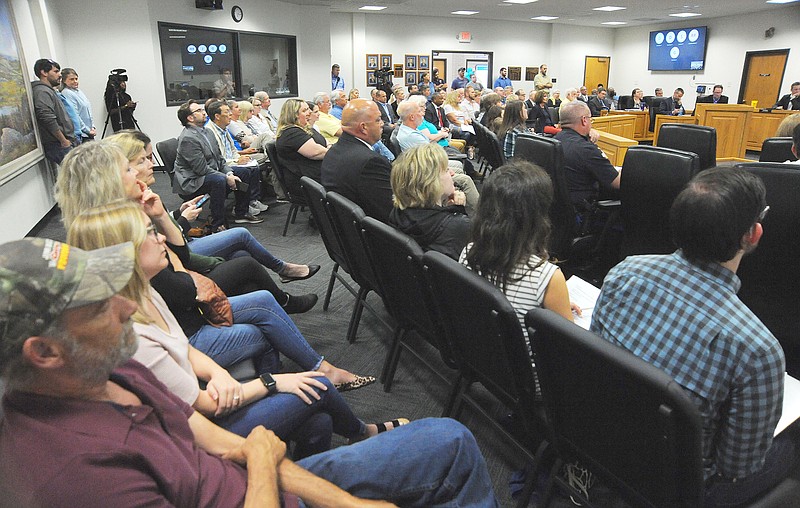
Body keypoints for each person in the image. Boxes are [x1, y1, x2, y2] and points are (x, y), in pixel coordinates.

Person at [0, 236, 501, 507]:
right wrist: (262, 462)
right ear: (44, 352)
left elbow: (231, 448)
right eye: (97, 308)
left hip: (265, 485)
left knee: (450, 440)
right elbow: (253, 455)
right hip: (258, 489)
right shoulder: (71, 477)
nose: (128, 309)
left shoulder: (110, 370)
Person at [68, 199, 394, 458]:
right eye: (150, 234)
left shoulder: (145, 290)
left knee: (318, 421)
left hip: (208, 398)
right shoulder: (132, 333)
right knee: (317, 385)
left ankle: (298, 477)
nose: (161, 238)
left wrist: (219, 373)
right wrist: (273, 382)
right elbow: (203, 407)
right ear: (125, 253)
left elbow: (184, 346)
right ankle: (359, 432)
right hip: (200, 433)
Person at [591, 167, 794, 506]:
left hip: (604, 445)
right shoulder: (758, 349)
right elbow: (736, 468)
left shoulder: (623, 272)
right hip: (679, 489)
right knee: (791, 446)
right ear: (754, 234)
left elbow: (597, 364)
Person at [460, 161, 576, 368]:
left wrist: (556, 301)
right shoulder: (547, 277)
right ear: (537, 216)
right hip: (531, 380)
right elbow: (569, 347)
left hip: (482, 358)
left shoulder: (469, 252)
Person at [389, 144, 469, 260]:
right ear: (431, 182)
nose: (452, 173)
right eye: (446, 170)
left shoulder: (397, 214)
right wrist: (459, 212)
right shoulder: (459, 226)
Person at [320, 98, 394, 222]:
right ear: (363, 127)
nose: (382, 124)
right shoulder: (370, 162)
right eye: (378, 120)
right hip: (375, 233)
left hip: (348, 228)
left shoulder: (335, 151)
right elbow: (391, 212)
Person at [202, 100, 265, 223]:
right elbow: (219, 158)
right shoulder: (210, 132)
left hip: (229, 162)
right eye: (227, 112)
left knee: (253, 166)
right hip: (219, 167)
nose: (230, 115)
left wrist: (240, 158)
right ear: (217, 116)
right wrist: (237, 160)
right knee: (245, 172)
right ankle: (241, 212)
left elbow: (232, 150)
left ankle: (251, 202)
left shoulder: (223, 128)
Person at [555, 101, 620, 207]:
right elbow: (616, 182)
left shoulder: (555, 140)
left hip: (560, 208)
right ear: (584, 120)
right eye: (591, 119)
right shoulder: (586, 149)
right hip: (583, 209)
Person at [275, 98, 328, 188]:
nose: (309, 113)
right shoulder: (291, 133)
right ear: (293, 115)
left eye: (308, 109)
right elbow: (316, 152)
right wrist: (337, 153)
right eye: (304, 110)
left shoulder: (306, 128)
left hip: (320, 176)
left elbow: (326, 143)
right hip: (308, 184)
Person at [31, 58, 75, 164]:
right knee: (79, 176)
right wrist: (63, 141)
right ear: (44, 73)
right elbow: (47, 117)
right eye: (55, 71)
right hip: (58, 144)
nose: (59, 75)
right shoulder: (42, 91)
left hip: (64, 142)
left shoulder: (49, 90)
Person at [59, 68, 96, 143]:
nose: (75, 81)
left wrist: (92, 126)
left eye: (76, 79)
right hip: (82, 134)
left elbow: (88, 110)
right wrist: (87, 130)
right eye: (71, 79)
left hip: (89, 132)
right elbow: (75, 115)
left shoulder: (78, 91)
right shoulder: (67, 93)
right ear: (64, 81)